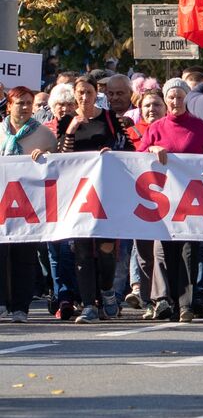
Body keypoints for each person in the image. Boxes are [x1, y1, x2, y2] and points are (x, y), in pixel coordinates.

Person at [56, 74, 131, 324]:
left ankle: (107, 291)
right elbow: (60, 157)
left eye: (88, 92)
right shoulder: (67, 120)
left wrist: (112, 153)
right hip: (78, 194)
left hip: (105, 193)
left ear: (94, 94)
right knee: (83, 251)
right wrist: (71, 130)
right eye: (80, 93)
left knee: (106, 249)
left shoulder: (109, 118)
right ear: (74, 95)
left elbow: (129, 150)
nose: (84, 97)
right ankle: (88, 304)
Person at [138, 78, 203, 323]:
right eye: (171, 97)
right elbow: (137, 157)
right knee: (169, 250)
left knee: (191, 251)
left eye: (180, 97)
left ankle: (187, 304)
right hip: (164, 199)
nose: (176, 101)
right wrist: (151, 150)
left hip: (192, 200)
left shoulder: (200, 126)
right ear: (166, 99)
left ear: (187, 99)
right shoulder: (156, 127)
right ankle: (170, 299)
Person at [1, 87, 56, 322]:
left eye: (28, 103)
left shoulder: (44, 135)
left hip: (29, 204)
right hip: (3, 203)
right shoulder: (0, 132)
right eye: (19, 103)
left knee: (24, 255)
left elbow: (59, 166)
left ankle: (21, 307)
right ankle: (2, 302)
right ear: (9, 106)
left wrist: (44, 155)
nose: (24, 107)